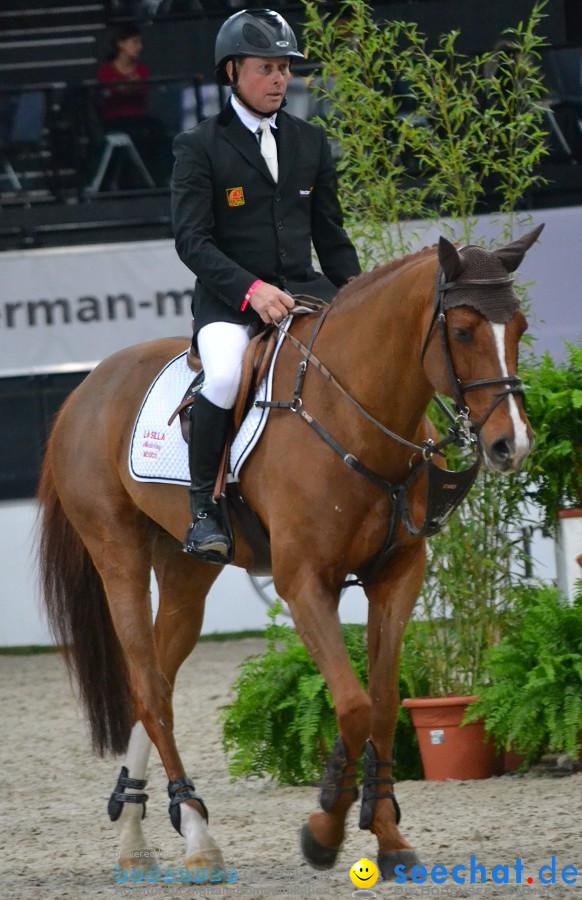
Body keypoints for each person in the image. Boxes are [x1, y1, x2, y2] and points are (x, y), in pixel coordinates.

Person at [171, 7, 361, 563]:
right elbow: (192, 241)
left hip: (304, 288)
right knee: (226, 374)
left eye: (285, 68)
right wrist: (251, 290)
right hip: (232, 304)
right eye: (266, 68)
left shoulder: (309, 141)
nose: (280, 79)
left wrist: (357, 295)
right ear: (232, 72)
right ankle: (204, 506)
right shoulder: (199, 146)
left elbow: (331, 236)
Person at [96, 23, 170, 186]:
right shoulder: (106, 71)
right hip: (115, 119)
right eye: (135, 42)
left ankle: (162, 177)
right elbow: (110, 92)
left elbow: (136, 89)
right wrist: (124, 87)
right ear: (121, 44)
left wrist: (124, 87)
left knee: (159, 131)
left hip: (138, 117)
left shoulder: (142, 70)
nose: (139, 47)